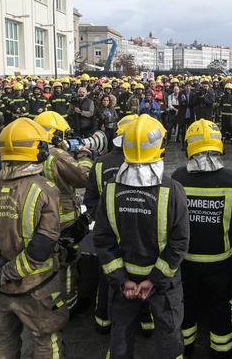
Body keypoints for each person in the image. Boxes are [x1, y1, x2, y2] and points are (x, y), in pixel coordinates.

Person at [0, 118, 67, 357]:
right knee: (46, 341)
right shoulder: (44, 188)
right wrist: (7, 272)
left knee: (2, 343)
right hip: (37, 286)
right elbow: (42, 245)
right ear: (37, 150)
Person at [93, 114, 189, 358]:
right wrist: (154, 280)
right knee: (168, 336)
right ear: (159, 148)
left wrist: (122, 280)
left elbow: (103, 240)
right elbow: (179, 243)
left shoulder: (111, 189)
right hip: (162, 283)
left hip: (123, 282)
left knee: (121, 336)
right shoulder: (172, 189)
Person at [171, 119, 232, 356]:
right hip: (220, 259)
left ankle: (186, 346)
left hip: (186, 260)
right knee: (221, 306)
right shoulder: (230, 178)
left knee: (186, 305)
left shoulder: (178, 177)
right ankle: (222, 351)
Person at [82, 114, 139, 334]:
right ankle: (146, 322)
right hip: (135, 233)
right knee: (138, 275)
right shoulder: (144, 162)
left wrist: (106, 220)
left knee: (107, 277)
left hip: (105, 234)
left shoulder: (100, 163)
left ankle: (102, 320)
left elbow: (90, 199)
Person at [34, 111, 92, 310]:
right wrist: (84, 157)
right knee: (67, 262)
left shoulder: (29, 152)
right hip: (63, 219)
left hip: (36, 216)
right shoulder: (56, 155)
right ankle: (67, 303)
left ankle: (44, 298)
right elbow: (83, 177)